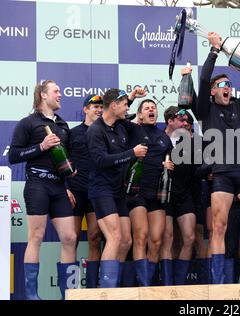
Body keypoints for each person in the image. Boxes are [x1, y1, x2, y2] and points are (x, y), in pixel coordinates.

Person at [195, 31, 240, 284]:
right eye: (223, 85)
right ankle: (217, 284)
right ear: (214, 91)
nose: (228, 88)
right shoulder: (204, 109)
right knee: (219, 227)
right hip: (222, 174)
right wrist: (214, 50)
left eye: (230, 85)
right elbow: (204, 78)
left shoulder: (238, 106)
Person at [9, 80, 78, 299]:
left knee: (69, 237)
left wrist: (67, 183)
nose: (60, 95)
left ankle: (69, 293)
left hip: (59, 187)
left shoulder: (63, 125)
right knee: (36, 236)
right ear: (42, 95)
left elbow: (63, 160)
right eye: (56, 91)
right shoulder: (27, 123)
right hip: (37, 184)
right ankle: (32, 296)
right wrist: (41, 146)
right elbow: (13, 156)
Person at [86, 88, 148, 288]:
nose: (128, 108)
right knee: (114, 237)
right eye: (124, 105)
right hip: (101, 189)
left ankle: (115, 286)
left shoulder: (120, 125)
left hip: (118, 191)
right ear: (113, 106)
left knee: (126, 241)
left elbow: (128, 117)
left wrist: (130, 97)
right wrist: (132, 153)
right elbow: (100, 160)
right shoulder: (95, 130)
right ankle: (106, 290)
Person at [124, 98, 172, 287]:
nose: (151, 110)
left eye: (154, 108)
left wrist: (168, 165)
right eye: (147, 108)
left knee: (156, 241)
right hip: (137, 192)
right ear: (140, 115)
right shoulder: (133, 129)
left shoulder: (164, 138)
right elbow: (118, 119)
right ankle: (142, 287)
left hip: (157, 193)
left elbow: (169, 161)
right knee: (141, 237)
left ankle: (149, 286)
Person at [68, 94, 104, 289]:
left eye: (101, 107)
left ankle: (91, 290)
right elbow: (61, 162)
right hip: (75, 192)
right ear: (85, 110)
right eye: (94, 106)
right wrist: (65, 186)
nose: (98, 110)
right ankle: (70, 290)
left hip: (96, 191)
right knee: (71, 238)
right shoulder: (73, 133)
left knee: (95, 237)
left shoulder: (105, 133)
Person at [159, 106, 197, 285]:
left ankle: (179, 285)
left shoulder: (190, 141)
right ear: (170, 121)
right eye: (181, 120)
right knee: (167, 239)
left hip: (185, 195)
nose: (185, 123)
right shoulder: (158, 139)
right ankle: (168, 286)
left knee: (189, 238)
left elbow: (197, 169)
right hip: (164, 196)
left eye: (186, 121)